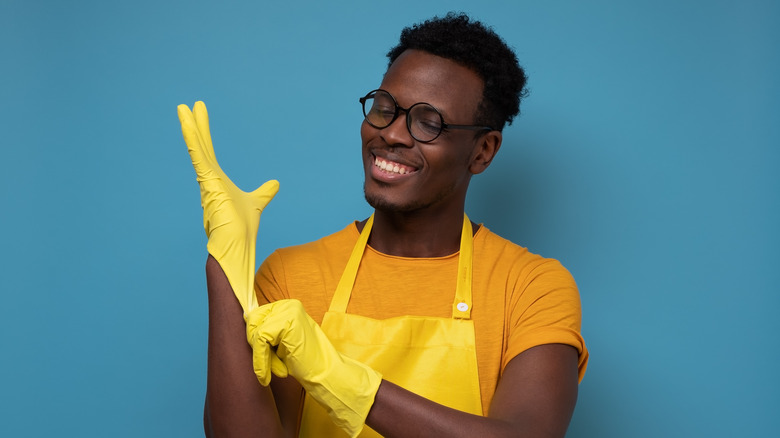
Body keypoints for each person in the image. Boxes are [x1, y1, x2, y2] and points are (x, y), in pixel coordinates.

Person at [179, 12, 588, 438]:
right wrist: (225, 267)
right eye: (385, 108)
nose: (392, 134)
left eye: (429, 122)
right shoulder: (291, 276)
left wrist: (343, 381)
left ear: (483, 151)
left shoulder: (530, 287)